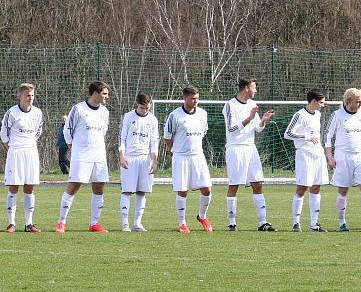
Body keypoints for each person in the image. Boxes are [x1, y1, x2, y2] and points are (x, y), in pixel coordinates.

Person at [56, 81, 111, 234]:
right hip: (81, 155)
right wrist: (73, 147)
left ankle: (94, 223)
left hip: (99, 155)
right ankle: (61, 222)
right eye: (104, 94)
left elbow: (103, 131)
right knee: (74, 185)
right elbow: (67, 130)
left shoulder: (104, 111)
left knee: (99, 187)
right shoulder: (78, 109)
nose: (107, 97)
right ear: (95, 93)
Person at [223, 77, 276, 231]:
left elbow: (257, 128)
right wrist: (249, 118)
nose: (256, 90)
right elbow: (232, 129)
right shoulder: (230, 105)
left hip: (251, 148)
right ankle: (232, 222)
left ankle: (263, 222)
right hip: (236, 149)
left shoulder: (252, 104)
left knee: (257, 183)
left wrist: (263, 120)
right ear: (246, 88)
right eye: (254, 87)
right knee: (234, 185)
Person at [324, 88, 361, 232]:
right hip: (343, 156)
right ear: (349, 101)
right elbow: (327, 137)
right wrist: (330, 157)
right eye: (358, 101)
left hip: (359, 156)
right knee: (343, 190)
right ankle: (342, 222)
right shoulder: (337, 115)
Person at [163, 86, 213, 233]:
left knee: (207, 189)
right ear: (185, 98)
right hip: (181, 157)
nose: (195, 101)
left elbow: (203, 132)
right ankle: (182, 222)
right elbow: (167, 137)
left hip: (198, 156)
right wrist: (176, 150)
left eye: (197, 98)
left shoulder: (203, 114)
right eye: (192, 98)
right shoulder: (175, 115)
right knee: (182, 190)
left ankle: (202, 217)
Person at [0, 83, 44, 233]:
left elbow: (38, 132)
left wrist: (28, 144)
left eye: (32, 95)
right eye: (27, 95)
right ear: (20, 96)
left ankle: (29, 224)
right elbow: (4, 134)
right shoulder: (11, 113)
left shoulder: (38, 113)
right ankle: (11, 223)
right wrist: (13, 147)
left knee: (30, 186)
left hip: (31, 152)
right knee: (14, 186)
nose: (30, 98)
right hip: (16, 152)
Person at [284, 90, 329, 231]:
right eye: (321, 102)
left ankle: (314, 224)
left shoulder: (318, 114)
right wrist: (306, 137)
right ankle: (296, 223)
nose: (322, 105)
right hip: (304, 154)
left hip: (318, 154)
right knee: (302, 188)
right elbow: (288, 134)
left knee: (316, 187)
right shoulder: (300, 115)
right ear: (313, 101)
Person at [118, 93, 160, 232]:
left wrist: (154, 161)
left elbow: (154, 141)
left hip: (145, 159)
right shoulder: (128, 117)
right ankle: (125, 223)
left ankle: (137, 223)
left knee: (142, 191)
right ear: (137, 105)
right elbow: (122, 138)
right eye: (142, 108)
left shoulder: (153, 120)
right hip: (130, 157)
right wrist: (122, 156)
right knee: (127, 190)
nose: (144, 111)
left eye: (147, 108)